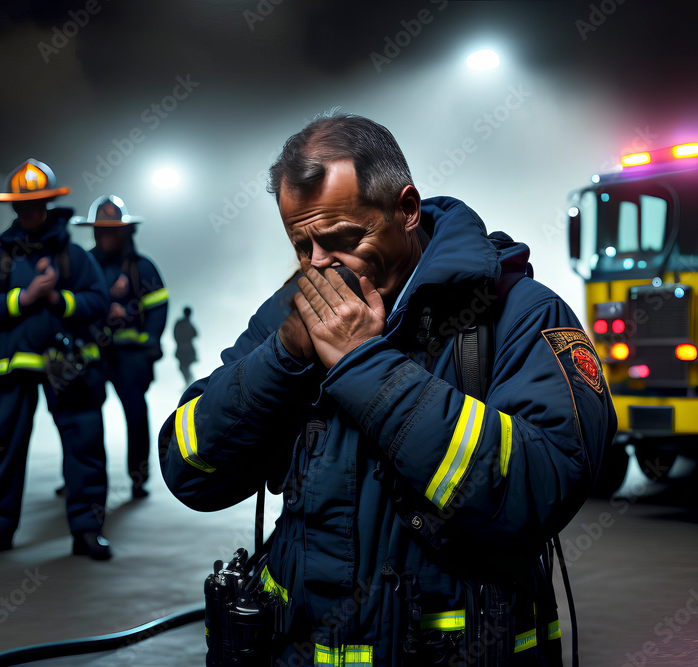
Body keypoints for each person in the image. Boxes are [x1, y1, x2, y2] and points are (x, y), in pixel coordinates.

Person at [159, 115, 616, 665]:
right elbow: (189, 471)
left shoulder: (520, 313)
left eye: (342, 239)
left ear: (406, 209)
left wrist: (364, 366)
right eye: (301, 245)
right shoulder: (291, 320)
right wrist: (281, 360)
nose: (317, 266)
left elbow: (541, 488)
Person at [0, 158, 113, 560]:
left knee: (84, 450)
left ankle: (87, 531)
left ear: (48, 204)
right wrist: (26, 297)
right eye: (22, 205)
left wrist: (57, 299)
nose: (30, 211)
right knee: (0, 451)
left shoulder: (73, 256)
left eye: (37, 203)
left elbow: (98, 301)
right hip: (11, 372)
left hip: (69, 370)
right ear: (14, 208)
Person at [73, 195, 168, 498]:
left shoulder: (144, 268)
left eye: (112, 230)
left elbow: (158, 309)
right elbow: (73, 310)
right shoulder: (82, 267)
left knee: (136, 416)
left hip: (130, 359)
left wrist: (148, 342)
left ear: (126, 232)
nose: (106, 236)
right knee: (84, 420)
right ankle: (79, 478)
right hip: (93, 358)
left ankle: (138, 477)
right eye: (101, 230)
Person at [173, 306, 198, 385]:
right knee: (184, 367)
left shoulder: (187, 323)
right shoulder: (184, 323)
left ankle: (190, 382)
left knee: (184, 367)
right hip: (183, 348)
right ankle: (189, 382)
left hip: (185, 348)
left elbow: (195, 334)